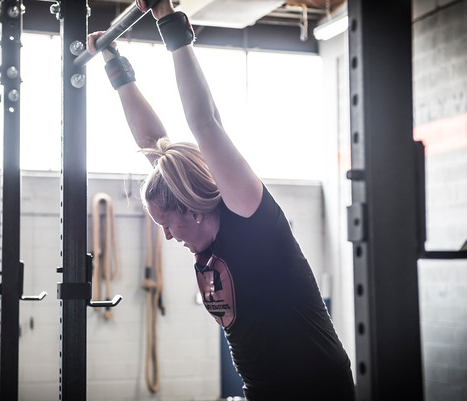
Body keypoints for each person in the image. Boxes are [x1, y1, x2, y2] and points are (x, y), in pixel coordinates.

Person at [87, 0, 356, 399]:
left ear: (192, 209)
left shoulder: (248, 217)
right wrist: (115, 66)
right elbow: (154, 146)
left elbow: (205, 123)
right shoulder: (203, 231)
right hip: (262, 390)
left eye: (166, 224)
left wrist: (168, 20)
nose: (166, 236)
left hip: (316, 389)